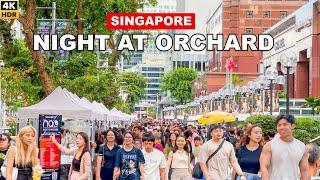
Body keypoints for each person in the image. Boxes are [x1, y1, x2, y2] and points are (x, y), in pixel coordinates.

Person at [260, 114, 310, 180]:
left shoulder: (301, 146)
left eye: (285, 124)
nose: (281, 127)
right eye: (279, 125)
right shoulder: (269, 145)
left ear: (293, 126)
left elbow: (305, 170)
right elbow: (264, 167)